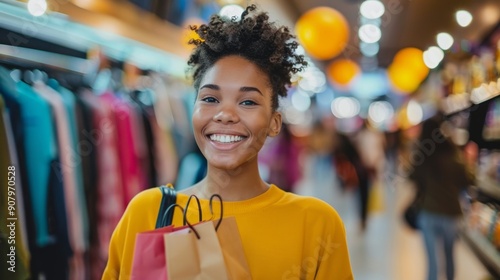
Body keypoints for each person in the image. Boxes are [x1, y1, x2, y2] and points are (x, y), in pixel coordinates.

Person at [102, 5, 353, 279]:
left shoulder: (315, 223)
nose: (225, 115)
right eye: (210, 99)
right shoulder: (148, 212)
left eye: (248, 102)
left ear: (274, 122)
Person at [407, 115, 473, 280]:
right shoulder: (453, 156)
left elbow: (412, 177)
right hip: (451, 213)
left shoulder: (423, 158)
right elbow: (469, 180)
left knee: (432, 261)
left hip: (428, 212)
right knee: (450, 256)